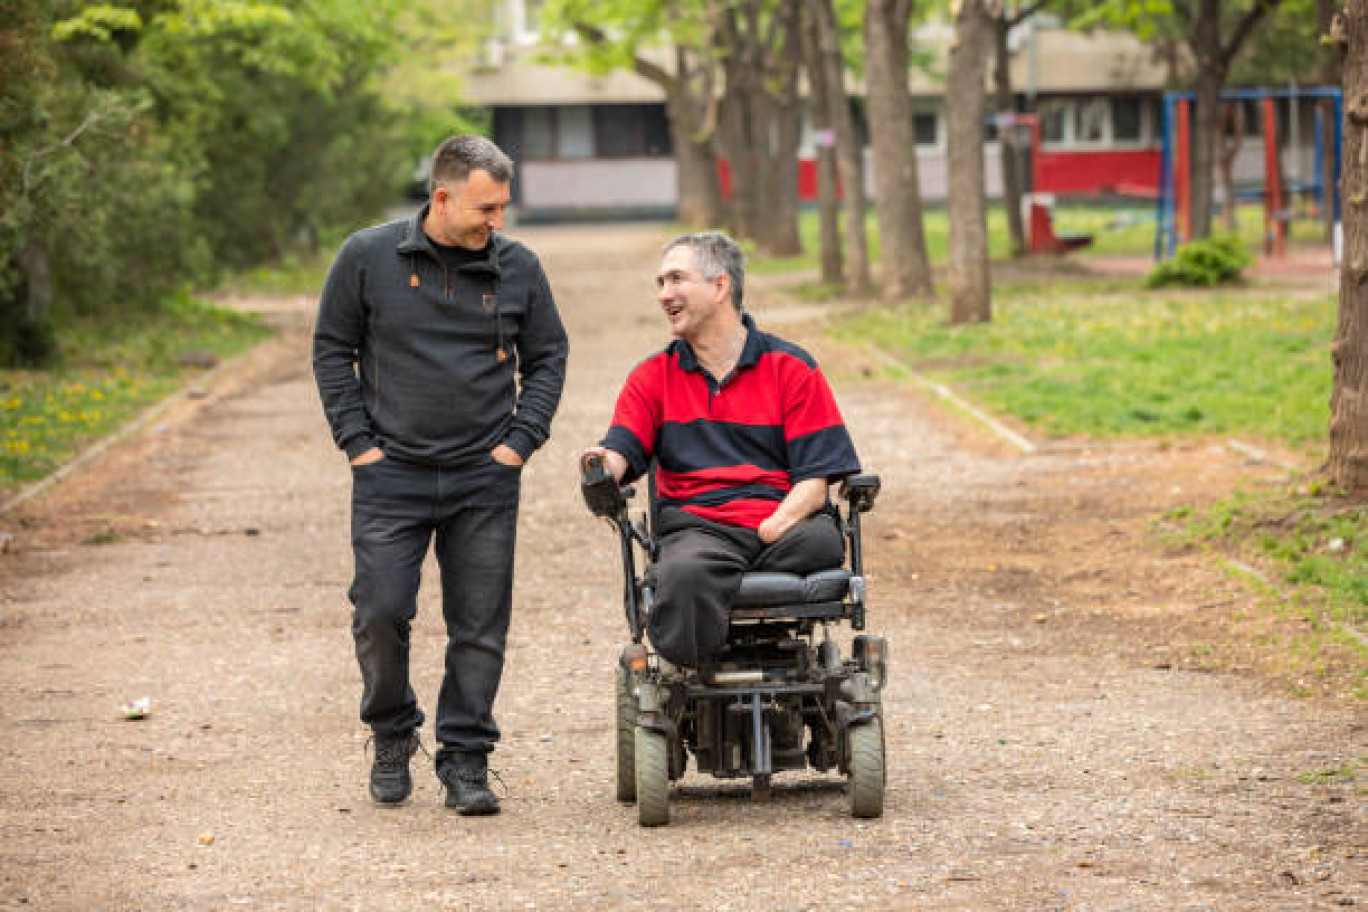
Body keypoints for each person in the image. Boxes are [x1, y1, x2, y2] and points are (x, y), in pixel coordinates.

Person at [313, 135, 568, 814]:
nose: (498, 221)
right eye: (487, 207)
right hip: (389, 475)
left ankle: (466, 760)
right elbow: (333, 349)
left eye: (504, 207)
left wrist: (519, 443)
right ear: (443, 196)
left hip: (483, 476)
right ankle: (392, 733)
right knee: (380, 612)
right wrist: (357, 443)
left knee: (480, 624)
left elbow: (548, 358)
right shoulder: (367, 257)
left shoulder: (519, 268)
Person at [583, 231, 859, 667]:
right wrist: (601, 464)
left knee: (822, 543)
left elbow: (815, 482)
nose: (664, 295)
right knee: (684, 571)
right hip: (701, 529)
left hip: (784, 526)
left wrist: (775, 523)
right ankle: (697, 671)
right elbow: (622, 446)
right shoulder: (653, 377)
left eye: (676, 279)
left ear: (719, 286)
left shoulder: (792, 368)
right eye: (659, 283)